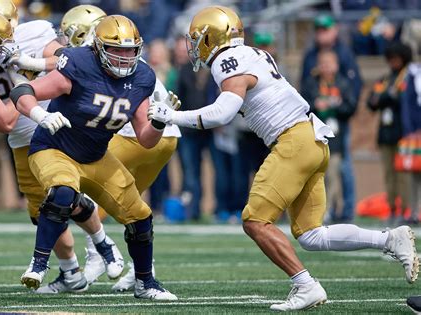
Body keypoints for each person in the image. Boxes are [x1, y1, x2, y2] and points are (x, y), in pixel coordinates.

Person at [148, 5, 419, 311]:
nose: (195, 45)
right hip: (312, 138)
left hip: (293, 140)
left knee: (254, 220)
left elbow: (222, 112)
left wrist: (172, 116)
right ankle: (388, 240)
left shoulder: (226, 59)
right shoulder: (254, 54)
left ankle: (305, 285)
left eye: (199, 38)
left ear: (214, 36)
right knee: (312, 234)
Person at [11, 14, 177, 300]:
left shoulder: (142, 77)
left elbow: (145, 140)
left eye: (130, 49)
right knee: (62, 192)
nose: (125, 57)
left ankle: (145, 282)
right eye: (117, 49)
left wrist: (160, 122)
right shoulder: (79, 64)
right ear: (99, 48)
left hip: (97, 156)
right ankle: (38, 264)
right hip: (55, 148)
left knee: (140, 215)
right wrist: (40, 114)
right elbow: (23, 90)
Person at [0, 1, 125, 293]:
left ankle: (104, 246)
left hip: (54, 129)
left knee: (63, 197)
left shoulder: (33, 33)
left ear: (10, 22)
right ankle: (71, 273)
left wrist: (31, 66)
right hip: (18, 136)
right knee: (40, 213)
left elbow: (68, 61)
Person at [301, 13, 361, 223]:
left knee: (342, 166)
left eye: (325, 29)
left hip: (339, 124)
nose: (322, 34)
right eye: (318, 29)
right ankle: (322, 209)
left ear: (334, 30)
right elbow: (304, 89)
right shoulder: (310, 56)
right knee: (318, 168)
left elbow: (352, 88)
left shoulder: (344, 53)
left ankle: (346, 209)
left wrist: (340, 108)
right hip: (317, 124)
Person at [367, 42, 412, 225]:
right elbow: (372, 102)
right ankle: (393, 209)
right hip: (386, 133)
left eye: (397, 58)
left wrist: (384, 98)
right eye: (391, 59)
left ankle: (406, 209)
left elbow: (402, 99)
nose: (393, 62)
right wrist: (387, 96)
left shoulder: (409, 78)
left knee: (403, 175)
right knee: (389, 174)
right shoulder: (385, 79)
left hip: (404, 133)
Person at [402, 62, 421, 224]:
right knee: (415, 174)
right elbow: (407, 103)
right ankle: (415, 210)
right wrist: (411, 130)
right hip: (416, 132)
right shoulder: (413, 73)